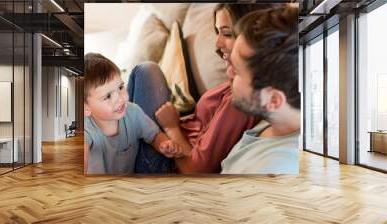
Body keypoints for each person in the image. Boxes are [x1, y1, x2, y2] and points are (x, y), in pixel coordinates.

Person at [128, 4, 268, 173]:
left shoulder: (239, 99)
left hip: (168, 160)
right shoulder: (235, 82)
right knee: (141, 77)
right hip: (170, 139)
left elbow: (195, 169)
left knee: (146, 71)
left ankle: (123, 150)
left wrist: (171, 127)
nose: (217, 43)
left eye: (227, 33)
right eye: (218, 32)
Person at [221, 6, 300, 174]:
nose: (229, 72)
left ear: (273, 100)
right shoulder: (273, 121)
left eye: (237, 70)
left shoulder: (271, 170)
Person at [83, 53, 182, 174]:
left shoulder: (133, 112)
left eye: (120, 87)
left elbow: (154, 135)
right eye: (108, 96)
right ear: (86, 109)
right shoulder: (86, 128)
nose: (120, 98)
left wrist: (164, 144)